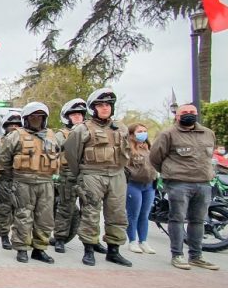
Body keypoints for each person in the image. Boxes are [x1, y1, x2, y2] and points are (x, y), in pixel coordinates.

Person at [64, 87, 132, 267]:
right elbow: (72, 154)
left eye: (108, 105)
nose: (105, 108)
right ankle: (89, 249)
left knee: (117, 214)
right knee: (91, 212)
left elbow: (126, 151)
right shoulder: (82, 129)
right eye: (100, 105)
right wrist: (83, 174)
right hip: (93, 174)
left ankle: (114, 250)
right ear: (93, 108)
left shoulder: (121, 128)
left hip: (116, 175)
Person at [149, 104, 220, 271]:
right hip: (178, 183)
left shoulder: (208, 133)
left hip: (203, 183)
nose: (189, 115)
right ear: (177, 116)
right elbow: (155, 157)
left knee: (198, 220)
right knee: (177, 219)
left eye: (192, 112)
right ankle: (177, 255)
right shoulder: (168, 134)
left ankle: (196, 256)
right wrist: (169, 172)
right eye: (184, 112)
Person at [0, 102, 60, 264]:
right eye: (33, 117)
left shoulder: (51, 136)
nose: (36, 120)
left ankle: (40, 249)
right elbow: (4, 160)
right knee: (23, 215)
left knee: (45, 218)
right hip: (23, 182)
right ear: (26, 118)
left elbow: (59, 156)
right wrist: (15, 177)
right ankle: (22, 248)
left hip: (46, 183)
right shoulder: (15, 136)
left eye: (40, 117)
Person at [53, 98, 108, 255]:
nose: (77, 117)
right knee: (65, 207)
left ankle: (92, 240)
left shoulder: (91, 131)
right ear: (67, 117)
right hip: (67, 174)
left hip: (88, 174)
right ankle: (60, 238)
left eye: (80, 115)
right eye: (74, 115)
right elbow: (53, 153)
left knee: (91, 209)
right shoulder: (61, 134)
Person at [125, 123, 158, 254]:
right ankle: (132, 241)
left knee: (144, 215)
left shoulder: (148, 148)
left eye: (145, 131)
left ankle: (143, 241)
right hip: (133, 184)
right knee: (133, 214)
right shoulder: (127, 149)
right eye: (139, 131)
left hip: (149, 185)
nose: (143, 133)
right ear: (132, 134)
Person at [0, 113, 22, 251]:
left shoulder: (25, 142)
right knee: (4, 209)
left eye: (17, 125)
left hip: (22, 180)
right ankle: (4, 236)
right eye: (11, 126)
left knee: (22, 211)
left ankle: (19, 238)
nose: (14, 128)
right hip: (4, 180)